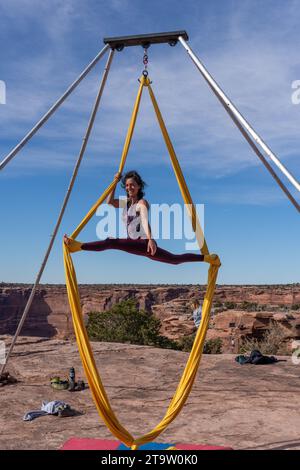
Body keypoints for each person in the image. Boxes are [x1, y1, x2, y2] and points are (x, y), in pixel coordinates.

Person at [64, 170, 218, 266]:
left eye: (132, 185)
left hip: (144, 242)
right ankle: (207, 258)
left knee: (111, 242)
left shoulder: (141, 203)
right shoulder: (125, 202)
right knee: (174, 260)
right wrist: (114, 183)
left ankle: (78, 246)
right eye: (127, 185)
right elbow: (109, 202)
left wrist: (150, 239)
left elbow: (144, 219)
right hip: (136, 243)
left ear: (138, 187)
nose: (129, 187)